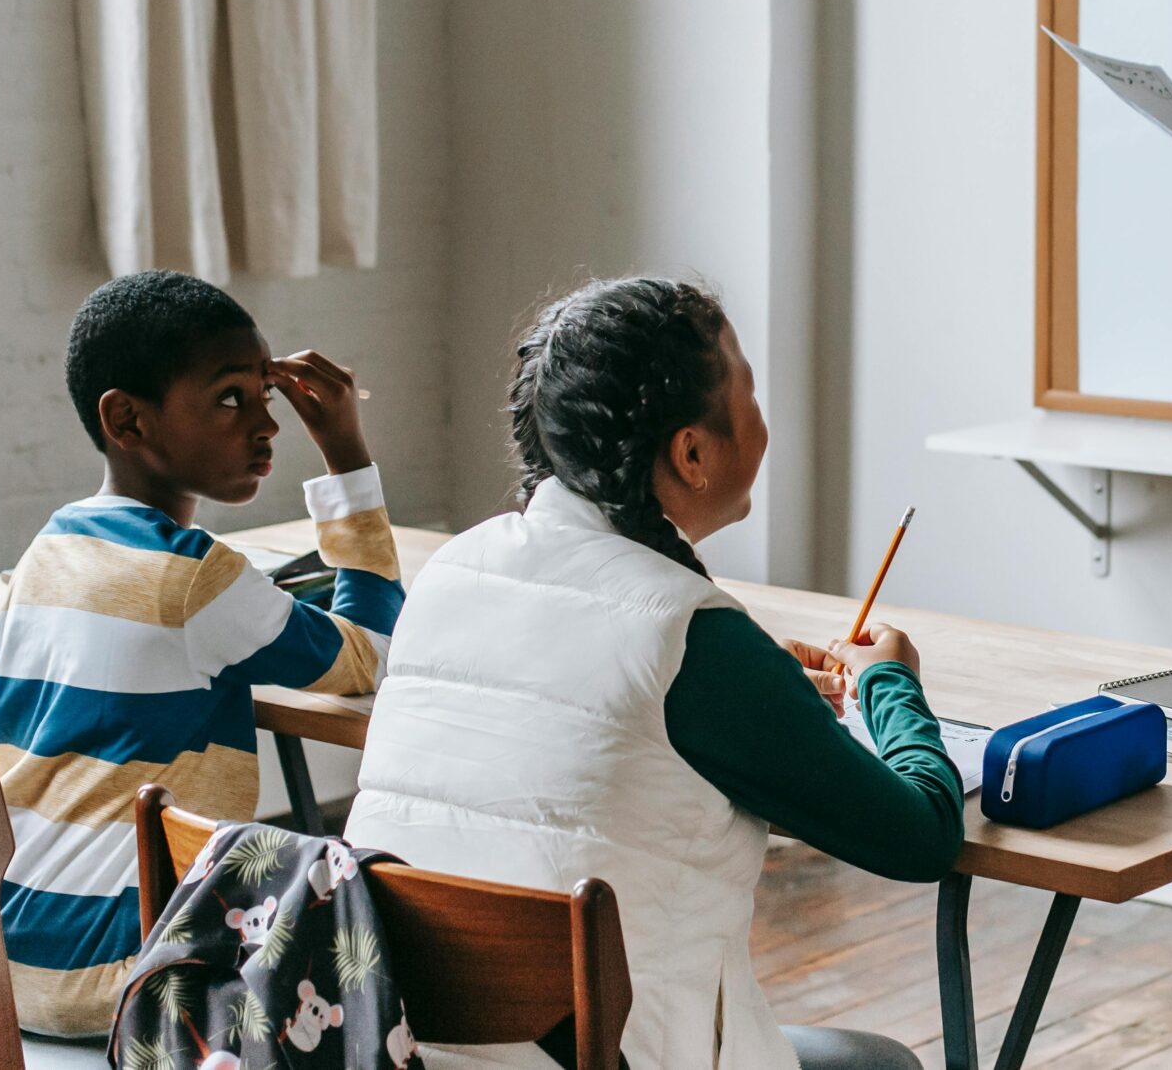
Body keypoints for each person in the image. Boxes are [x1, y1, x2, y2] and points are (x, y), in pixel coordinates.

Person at [346, 277, 962, 1070]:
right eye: (748, 393)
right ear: (692, 452)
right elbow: (923, 836)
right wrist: (890, 684)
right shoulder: (693, 639)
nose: (763, 422)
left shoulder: (454, 567)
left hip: (399, 1048)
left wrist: (756, 680)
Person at [0, 270, 405, 1038]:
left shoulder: (49, 549)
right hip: (128, 974)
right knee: (365, 889)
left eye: (264, 396)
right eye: (229, 398)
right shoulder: (200, 579)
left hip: (2, 965)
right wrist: (346, 456)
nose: (267, 425)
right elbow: (373, 655)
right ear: (128, 419)